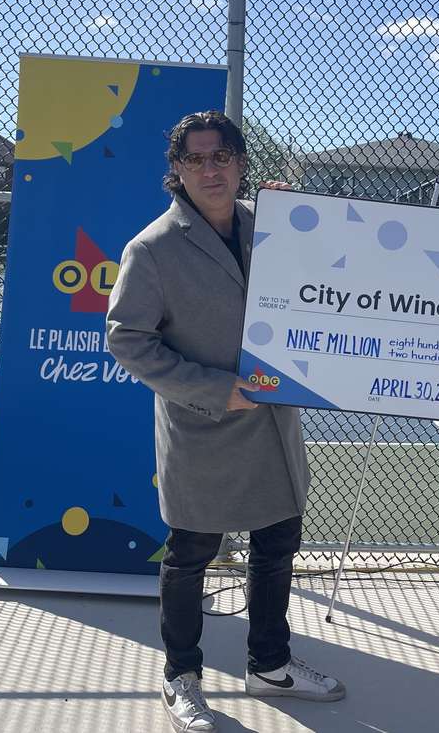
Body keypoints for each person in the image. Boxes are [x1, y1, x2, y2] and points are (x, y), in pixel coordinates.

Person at [107, 110, 345, 733]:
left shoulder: (271, 231)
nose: (210, 169)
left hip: (272, 424)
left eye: (222, 157)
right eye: (196, 159)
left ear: (240, 164)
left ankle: (269, 663)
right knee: (190, 554)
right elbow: (129, 341)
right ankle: (181, 677)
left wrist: (307, 223)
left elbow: (331, 280)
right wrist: (216, 389)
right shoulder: (152, 249)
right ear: (177, 171)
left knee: (276, 542)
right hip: (204, 425)